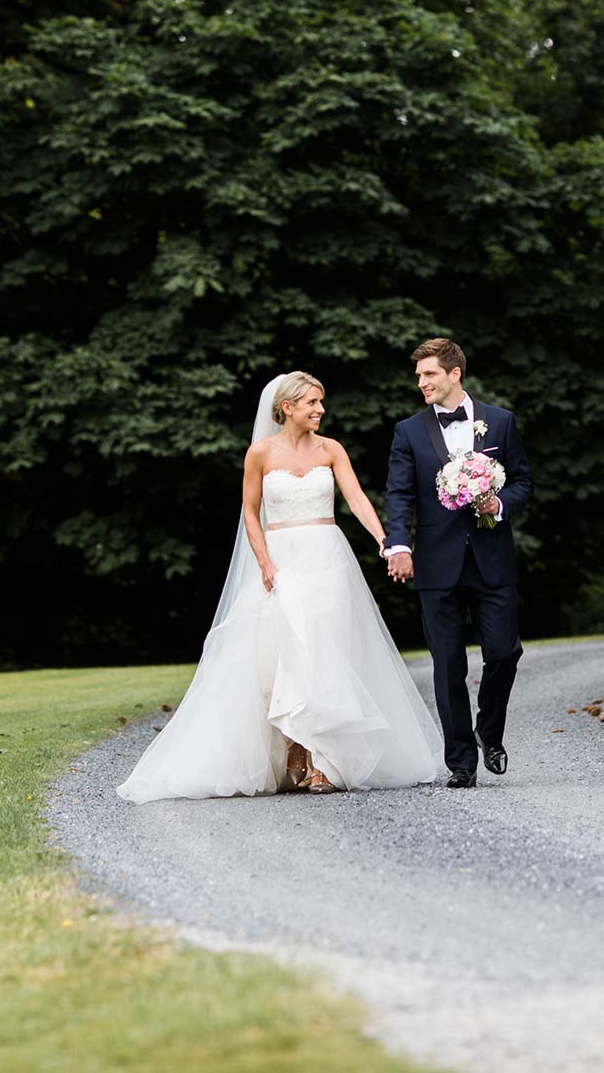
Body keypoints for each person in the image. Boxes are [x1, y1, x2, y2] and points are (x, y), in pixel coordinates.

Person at [117, 372, 445, 802]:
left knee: (327, 649)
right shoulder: (260, 453)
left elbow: (356, 498)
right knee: (284, 653)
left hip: (326, 557)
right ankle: (295, 747)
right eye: (312, 403)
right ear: (287, 408)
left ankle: (326, 761)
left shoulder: (331, 449)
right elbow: (250, 513)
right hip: (282, 559)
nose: (320, 410)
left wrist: (386, 542)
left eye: (321, 402)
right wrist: (265, 562)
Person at [384, 338, 533, 789]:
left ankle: (489, 731)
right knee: (448, 665)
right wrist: (399, 545)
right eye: (418, 376)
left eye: (429, 374)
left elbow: (522, 481)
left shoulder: (500, 421)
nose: (421, 383)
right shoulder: (408, 431)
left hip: (492, 559)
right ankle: (461, 762)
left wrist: (499, 505)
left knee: (505, 652)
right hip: (437, 562)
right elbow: (399, 493)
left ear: (454, 373)